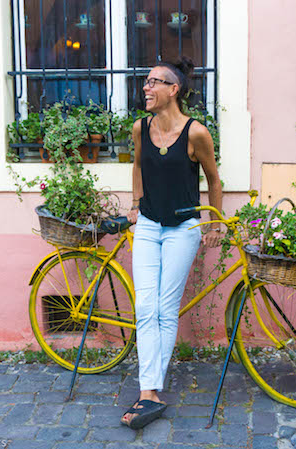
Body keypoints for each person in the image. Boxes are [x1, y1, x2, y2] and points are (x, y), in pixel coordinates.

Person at [120, 57, 223, 429]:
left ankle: (151, 388)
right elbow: (137, 166)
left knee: (165, 306)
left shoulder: (196, 133)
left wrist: (215, 221)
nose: (145, 88)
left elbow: (213, 178)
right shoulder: (140, 128)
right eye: (145, 82)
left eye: (153, 82)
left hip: (183, 228)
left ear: (173, 89)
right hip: (148, 224)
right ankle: (150, 391)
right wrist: (134, 204)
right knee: (145, 306)